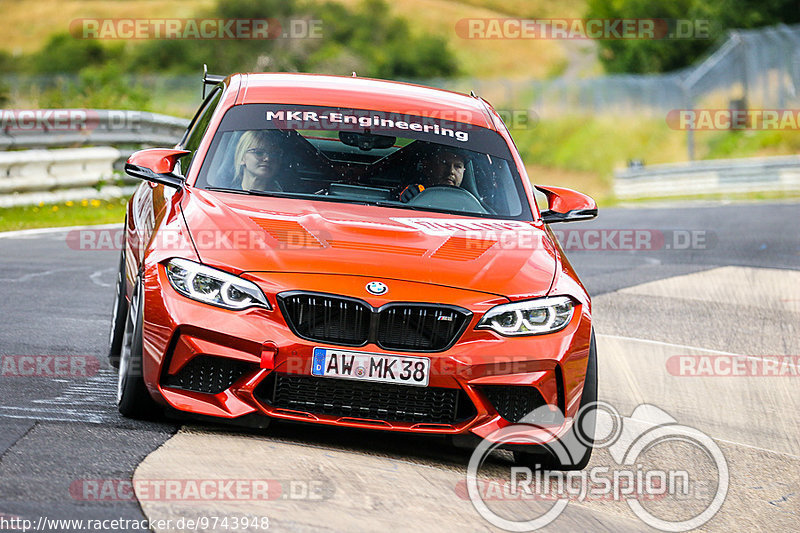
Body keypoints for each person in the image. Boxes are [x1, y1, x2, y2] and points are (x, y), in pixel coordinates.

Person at [399, 147, 468, 202]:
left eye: (458, 166)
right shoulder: (413, 195)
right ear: (427, 167)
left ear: (464, 171)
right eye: (444, 164)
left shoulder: (471, 205)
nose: (451, 171)